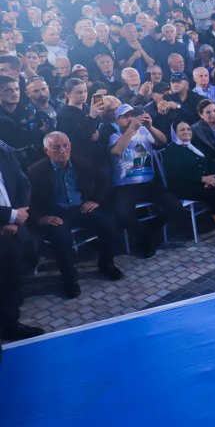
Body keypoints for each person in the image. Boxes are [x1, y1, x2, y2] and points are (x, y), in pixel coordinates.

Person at [27, 131, 122, 298]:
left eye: (65, 146)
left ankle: (106, 264)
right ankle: (69, 278)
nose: (62, 151)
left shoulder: (82, 162)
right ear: (46, 151)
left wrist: (96, 200)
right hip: (55, 212)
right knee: (61, 239)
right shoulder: (35, 171)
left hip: (80, 207)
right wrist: (40, 218)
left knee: (108, 225)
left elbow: (104, 177)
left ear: (70, 145)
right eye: (56, 147)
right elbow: (27, 199)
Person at [108, 104, 185, 258]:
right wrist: (131, 129)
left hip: (148, 182)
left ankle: (149, 229)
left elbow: (163, 141)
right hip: (125, 186)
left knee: (176, 206)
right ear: (117, 121)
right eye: (125, 116)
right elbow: (117, 151)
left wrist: (150, 126)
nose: (130, 118)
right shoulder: (114, 136)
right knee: (122, 215)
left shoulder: (144, 131)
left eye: (132, 115)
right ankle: (145, 237)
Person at [161, 121, 215, 248]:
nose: (187, 131)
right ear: (175, 133)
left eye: (188, 129)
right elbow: (176, 174)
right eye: (182, 130)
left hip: (207, 181)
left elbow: (210, 162)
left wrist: (213, 177)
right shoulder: (171, 151)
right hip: (185, 186)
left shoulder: (195, 144)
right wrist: (202, 179)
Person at [0, 141, 44, 342]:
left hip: (12, 232)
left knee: (11, 280)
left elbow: (23, 183)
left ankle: (10, 326)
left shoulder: (3, 151)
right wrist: (9, 217)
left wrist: (17, 217)